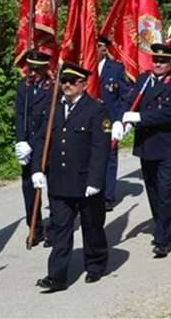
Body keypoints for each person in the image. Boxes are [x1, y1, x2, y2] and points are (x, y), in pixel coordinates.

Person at [31, 63, 110, 292]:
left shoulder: (96, 110)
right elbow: (42, 141)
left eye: (72, 82)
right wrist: (38, 169)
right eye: (64, 81)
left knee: (92, 227)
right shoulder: (54, 108)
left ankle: (96, 265)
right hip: (60, 181)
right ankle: (57, 276)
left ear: (83, 85)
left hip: (86, 182)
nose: (66, 85)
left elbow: (100, 148)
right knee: (60, 228)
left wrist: (95, 181)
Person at [121, 43, 171, 257]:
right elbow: (130, 102)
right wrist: (122, 121)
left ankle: (162, 240)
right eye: (155, 60)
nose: (157, 64)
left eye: (162, 61)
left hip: (168, 145)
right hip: (147, 144)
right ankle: (167, 226)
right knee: (153, 191)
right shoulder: (143, 80)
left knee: (166, 191)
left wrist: (140, 118)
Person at [13, 50, 54, 246]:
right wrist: (21, 141)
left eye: (36, 69)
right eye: (30, 68)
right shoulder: (23, 87)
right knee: (28, 188)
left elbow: (49, 122)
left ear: (46, 68)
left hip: (47, 145)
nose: (32, 73)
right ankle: (35, 228)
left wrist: (32, 143)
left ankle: (54, 229)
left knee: (53, 188)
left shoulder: (54, 89)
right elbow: (19, 116)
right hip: (27, 146)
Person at [97, 35, 130, 211]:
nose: (95, 48)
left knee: (109, 156)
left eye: (99, 45)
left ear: (105, 49)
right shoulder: (82, 67)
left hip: (108, 120)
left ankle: (108, 196)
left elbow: (125, 95)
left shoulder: (116, 68)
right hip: (87, 120)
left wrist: (120, 120)